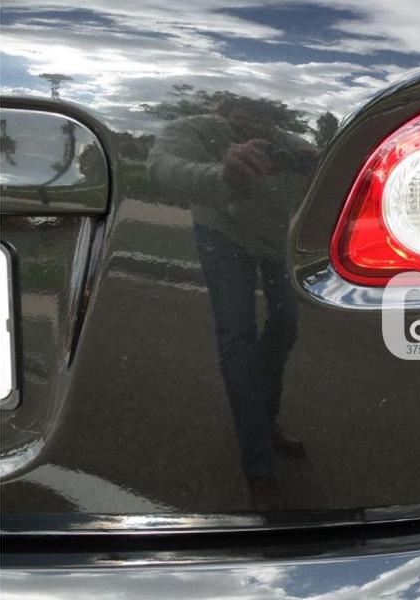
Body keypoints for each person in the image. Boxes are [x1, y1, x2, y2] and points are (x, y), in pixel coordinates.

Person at [148, 96, 317, 510]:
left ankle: (266, 419)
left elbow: (325, 167)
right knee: (238, 337)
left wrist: (318, 165)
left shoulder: (283, 139)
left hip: (274, 239)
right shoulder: (197, 128)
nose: (255, 123)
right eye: (243, 114)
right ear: (223, 112)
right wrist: (221, 174)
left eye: (264, 116)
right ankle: (259, 466)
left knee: (286, 325)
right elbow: (162, 167)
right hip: (221, 232)